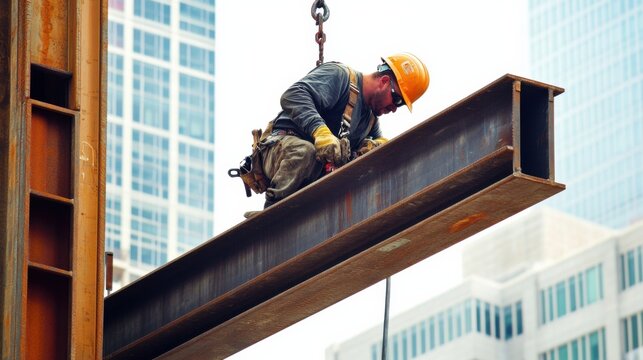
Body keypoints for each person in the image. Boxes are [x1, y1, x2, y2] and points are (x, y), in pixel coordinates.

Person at [245, 53, 429, 217]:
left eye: (401, 105)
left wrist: (375, 146)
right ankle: (270, 215)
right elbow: (292, 95)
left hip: (310, 174)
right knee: (306, 152)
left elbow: (380, 144)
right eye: (396, 99)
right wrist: (320, 131)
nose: (394, 108)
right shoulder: (340, 76)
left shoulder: (370, 121)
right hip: (281, 150)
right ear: (384, 81)